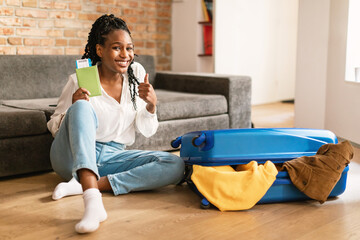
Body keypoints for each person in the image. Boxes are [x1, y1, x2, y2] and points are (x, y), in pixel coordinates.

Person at [47, 14, 185, 234]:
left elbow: (147, 131)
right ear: (100, 50)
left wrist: (151, 105)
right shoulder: (79, 79)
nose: (125, 55)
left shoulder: (137, 74)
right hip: (72, 156)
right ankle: (92, 202)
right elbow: (54, 126)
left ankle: (87, 183)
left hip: (113, 155)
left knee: (175, 165)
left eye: (129, 48)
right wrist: (73, 109)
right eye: (117, 48)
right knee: (82, 107)